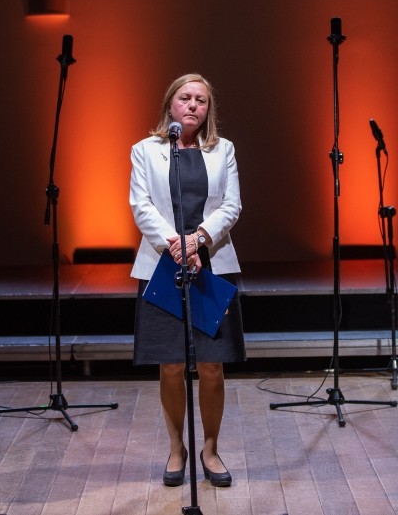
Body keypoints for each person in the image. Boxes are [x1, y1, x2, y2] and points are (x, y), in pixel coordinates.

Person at [129, 73, 245, 488]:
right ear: (171, 105)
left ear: (208, 108)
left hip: (210, 261)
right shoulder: (145, 150)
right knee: (172, 364)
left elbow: (231, 206)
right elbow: (140, 205)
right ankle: (176, 448)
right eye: (185, 98)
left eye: (200, 100)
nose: (193, 105)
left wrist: (198, 240)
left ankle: (210, 449)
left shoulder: (223, 150)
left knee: (212, 366)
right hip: (163, 263)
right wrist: (175, 244)